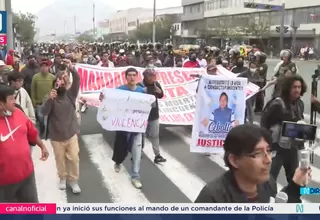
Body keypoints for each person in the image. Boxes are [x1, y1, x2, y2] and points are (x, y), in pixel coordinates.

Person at [194, 124, 310, 203]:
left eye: (268, 151)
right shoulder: (213, 198)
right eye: (258, 153)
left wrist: (295, 186)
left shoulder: (268, 183)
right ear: (234, 160)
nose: (268, 160)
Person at [0, 83, 49, 202]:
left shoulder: (19, 113)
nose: (14, 101)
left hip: (27, 177)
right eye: (11, 99)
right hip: (4, 184)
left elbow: (31, 133)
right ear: (1, 103)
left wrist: (42, 145)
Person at [99, 67, 144, 189]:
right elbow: (108, 100)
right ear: (126, 77)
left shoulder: (142, 91)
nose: (132, 77)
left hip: (137, 129)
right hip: (123, 128)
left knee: (137, 153)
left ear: (137, 76)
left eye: (134, 75)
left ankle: (135, 176)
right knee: (120, 149)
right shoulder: (119, 90)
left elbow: (149, 104)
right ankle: (118, 162)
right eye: (129, 75)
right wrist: (103, 98)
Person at [41, 59, 81, 194]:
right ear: (55, 85)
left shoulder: (70, 94)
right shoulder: (51, 97)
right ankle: (62, 178)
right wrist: (49, 100)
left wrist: (71, 68)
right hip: (56, 137)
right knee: (60, 160)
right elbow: (43, 112)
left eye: (65, 80)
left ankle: (73, 180)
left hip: (71, 134)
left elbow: (77, 80)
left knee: (74, 159)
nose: (62, 83)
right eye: (59, 81)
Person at [260, 75, 306, 183]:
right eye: (294, 87)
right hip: (277, 148)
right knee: (269, 180)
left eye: (299, 87)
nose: (297, 90)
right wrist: (268, 146)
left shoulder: (300, 104)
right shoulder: (277, 104)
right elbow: (264, 124)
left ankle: (295, 198)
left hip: (292, 148)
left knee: (295, 181)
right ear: (288, 88)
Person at [137, 69, 166, 163]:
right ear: (146, 76)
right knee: (140, 135)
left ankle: (157, 155)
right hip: (142, 115)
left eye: (154, 76)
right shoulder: (139, 86)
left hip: (154, 114)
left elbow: (161, 95)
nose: (153, 78)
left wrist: (160, 92)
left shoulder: (156, 84)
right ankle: (139, 152)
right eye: (151, 76)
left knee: (155, 136)